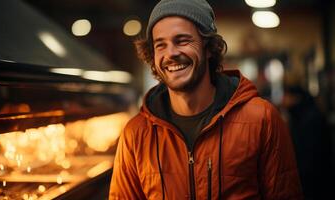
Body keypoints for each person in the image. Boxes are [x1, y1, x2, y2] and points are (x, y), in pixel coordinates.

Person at [109, 0, 303, 199]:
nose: (171, 53)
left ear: (209, 47)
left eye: (182, 41)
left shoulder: (261, 119)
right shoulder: (136, 134)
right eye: (161, 45)